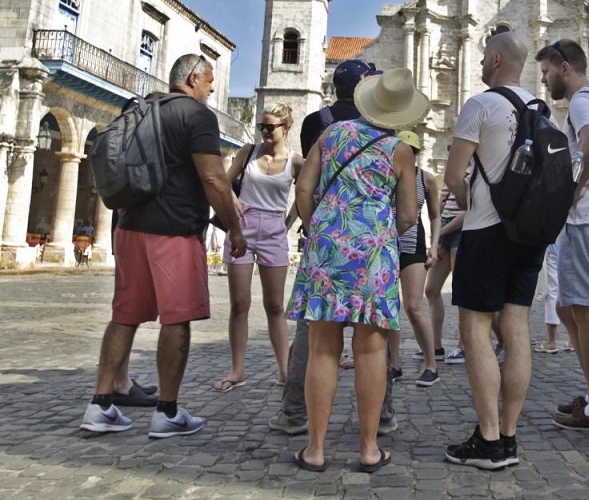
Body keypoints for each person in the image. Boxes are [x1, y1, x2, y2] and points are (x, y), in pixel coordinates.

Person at [80, 54, 246, 438]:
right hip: (173, 230)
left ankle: (100, 405)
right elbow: (214, 179)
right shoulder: (197, 117)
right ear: (192, 79)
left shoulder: (145, 108)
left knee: (124, 315)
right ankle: (167, 411)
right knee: (177, 318)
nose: (211, 88)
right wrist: (234, 229)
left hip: (130, 224)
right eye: (208, 81)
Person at [287, 67, 427, 474]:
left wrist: (318, 229)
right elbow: (407, 214)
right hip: (373, 254)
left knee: (322, 348)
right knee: (371, 350)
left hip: (327, 247)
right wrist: (378, 231)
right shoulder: (400, 150)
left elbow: (303, 189)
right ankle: (368, 449)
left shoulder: (331, 135)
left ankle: (315, 449)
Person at [268, 59, 393, 436]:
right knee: (373, 335)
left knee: (316, 335)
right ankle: (382, 418)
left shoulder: (316, 125)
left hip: (325, 238)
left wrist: (312, 224)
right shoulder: (384, 129)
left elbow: (305, 185)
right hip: (371, 241)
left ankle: (294, 413)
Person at [443, 31, 547, 469]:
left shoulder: (481, 104)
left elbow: (452, 176)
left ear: (497, 59)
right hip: (530, 234)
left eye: (485, 57)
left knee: (475, 330)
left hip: (487, 229)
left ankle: (487, 440)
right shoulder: (543, 111)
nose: (482, 63)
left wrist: (468, 204)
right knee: (517, 329)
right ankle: (509, 435)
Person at [535, 38, 589, 434]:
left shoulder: (583, 101)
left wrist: (577, 184)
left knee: (585, 311)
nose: (544, 81)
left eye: (546, 72)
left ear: (565, 68)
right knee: (571, 308)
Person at [213, 103, 302, 392]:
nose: (264, 131)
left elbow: (307, 192)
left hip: (274, 229)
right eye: (262, 126)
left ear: (286, 128)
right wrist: (236, 203)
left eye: (270, 127)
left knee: (275, 305)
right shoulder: (247, 152)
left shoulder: (294, 161)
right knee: (239, 304)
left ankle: (284, 370)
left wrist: (288, 223)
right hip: (243, 227)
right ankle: (237, 370)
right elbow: (223, 183)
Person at [388, 130, 442, 387]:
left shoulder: (426, 179)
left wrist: (434, 245)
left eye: (413, 151)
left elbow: (434, 215)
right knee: (390, 306)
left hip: (413, 245)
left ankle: (431, 364)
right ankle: (394, 364)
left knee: (413, 306)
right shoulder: (387, 175)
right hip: (386, 244)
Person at [428, 185, 466, 364]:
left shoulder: (474, 167)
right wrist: (437, 237)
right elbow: (440, 204)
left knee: (461, 290)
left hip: (462, 230)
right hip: (445, 229)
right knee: (431, 289)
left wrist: (440, 233)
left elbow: (470, 209)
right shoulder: (454, 166)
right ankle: (436, 346)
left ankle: (463, 345)